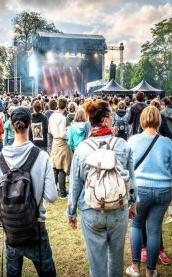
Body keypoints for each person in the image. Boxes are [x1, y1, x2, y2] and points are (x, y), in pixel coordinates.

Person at [67, 99, 135, 277]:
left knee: (96, 261)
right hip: (118, 208)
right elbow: (131, 179)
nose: (113, 118)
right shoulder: (122, 145)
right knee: (116, 258)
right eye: (111, 116)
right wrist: (133, 203)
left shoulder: (82, 149)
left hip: (91, 210)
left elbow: (75, 183)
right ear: (104, 120)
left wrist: (71, 212)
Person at [0, 106, 58, 276]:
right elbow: (52, 196)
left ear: (12, 126)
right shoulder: (41, 156)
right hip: (35, 227)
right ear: (30, 124)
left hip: (12, 228)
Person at [126, 106, 172, 277]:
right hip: (163, 189)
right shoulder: (167, 142)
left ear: (141, 120)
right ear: (159, 121)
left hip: (139, 189)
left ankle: (135, 267)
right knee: (154, 229)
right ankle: (150, 271)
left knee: (136, 225)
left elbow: (127, 167)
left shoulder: (132, 140)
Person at [48, 98, 73, 199]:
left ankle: (53, 191)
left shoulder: (52, 116)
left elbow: (49, 130)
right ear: (65, 106)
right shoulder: (62, 118)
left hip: (54, 142)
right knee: (62, 168)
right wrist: (69, 133)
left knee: (55, 168)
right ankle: (62, 193)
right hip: (61, 143)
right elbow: (62, 134)